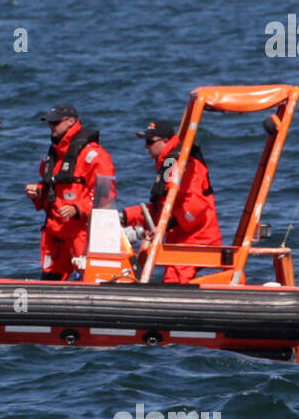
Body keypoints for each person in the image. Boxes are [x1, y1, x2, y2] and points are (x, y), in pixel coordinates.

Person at [24, 102, 115, 280]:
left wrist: (77, 209)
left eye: (55, 123)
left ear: (71, 122)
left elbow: (106, 197)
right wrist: (38, 192)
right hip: (54, 234)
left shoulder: (95, 156)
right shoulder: (54, 155)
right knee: (49, 282)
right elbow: (51, 188)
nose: (51, 127)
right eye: (49, 123)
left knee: (90, 280)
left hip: (81, 233)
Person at [123, 121, 222, 284]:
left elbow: (194, 209)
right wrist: (126, 216)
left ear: (166, 141)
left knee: (174, 281)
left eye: (149, 142)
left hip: (197, 240)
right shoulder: (169, 166)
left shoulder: (186, 165)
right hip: (182, 239)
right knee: (170, 279)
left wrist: (164, 227)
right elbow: (161, 210)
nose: (146, 147)